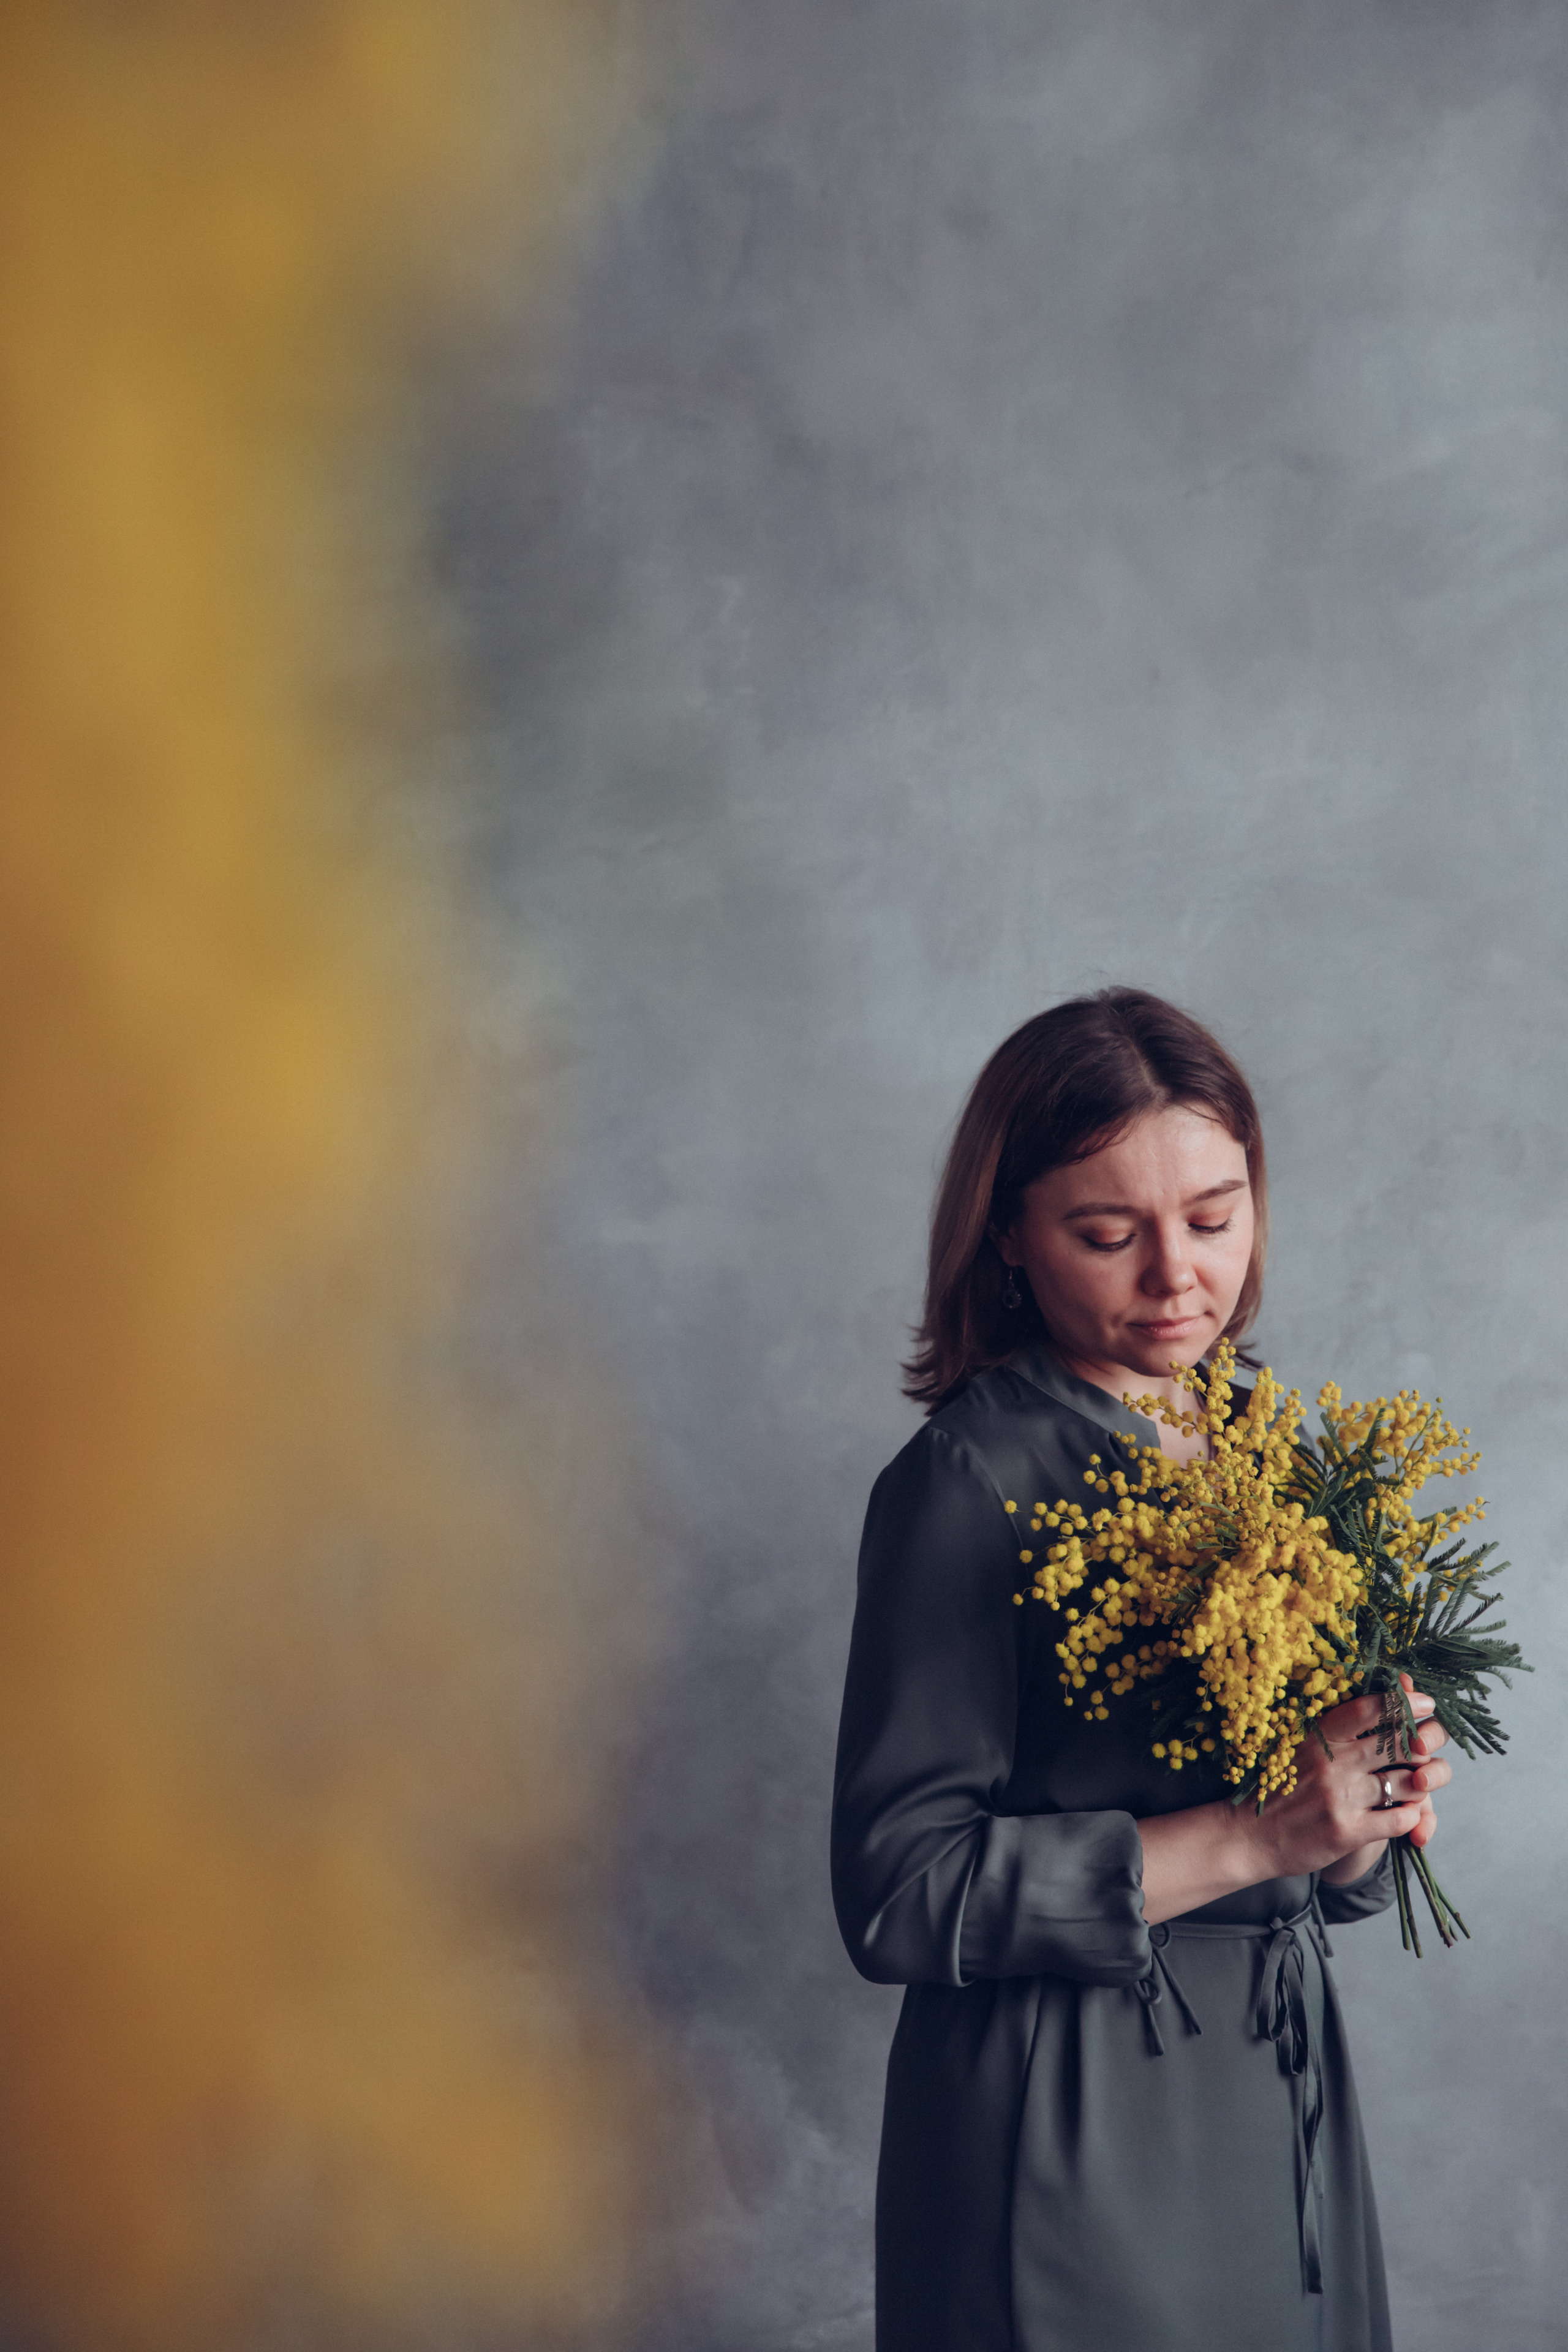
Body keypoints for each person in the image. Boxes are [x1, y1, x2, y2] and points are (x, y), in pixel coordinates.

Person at [831, 987, 1449, 2352]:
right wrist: (1252, 1832)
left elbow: (1329, 1878)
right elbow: (896, 1892)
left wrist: (1361, 1807)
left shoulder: (1278, 1445)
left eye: (1213, 1219)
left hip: (1278, 2093)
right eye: (1107, 1235)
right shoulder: (964, 1480)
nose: (1176, 1276)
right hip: (1062, 2117)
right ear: (1006, 1235)